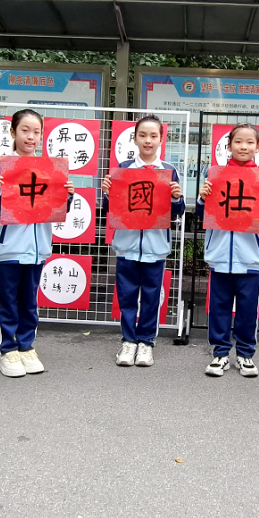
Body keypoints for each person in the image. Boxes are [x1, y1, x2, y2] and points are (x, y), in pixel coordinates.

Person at [0, 109, 74, 377]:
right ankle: (7, 350)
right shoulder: (1, 169)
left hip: (37, 249)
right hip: (9, 248)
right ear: (13, 132)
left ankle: (26, 346)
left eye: (36, 131)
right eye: (25, 130)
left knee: (29, 301)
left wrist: (67, 196)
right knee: (7, 301)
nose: (31, 136)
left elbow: (57, 209)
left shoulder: (49, 169)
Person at [197, 123, 259, 378]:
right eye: (238, 142)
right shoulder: (215, 176)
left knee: (247, 310)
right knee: (219, 307)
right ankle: (220, 354)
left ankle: (245, 354)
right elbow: (203, 214)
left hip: (251, 257)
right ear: (229, 145)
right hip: (220, 255)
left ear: (258, 147)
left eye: (249, 142)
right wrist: (202, 198)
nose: (243, 146)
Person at [101, 116, 185, 367]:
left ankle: (146, 342)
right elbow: (111, 209)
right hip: (126, 246)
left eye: (153, 136)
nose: (148, 140)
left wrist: (176, 198)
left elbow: (177, 212)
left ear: (161, 139)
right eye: (143, 135)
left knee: (151, 297)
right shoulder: (123, 168)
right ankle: (128, 342)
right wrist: (107, 193)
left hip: (155, 247)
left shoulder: (169, 170)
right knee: (126, 297)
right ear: (135, 138)